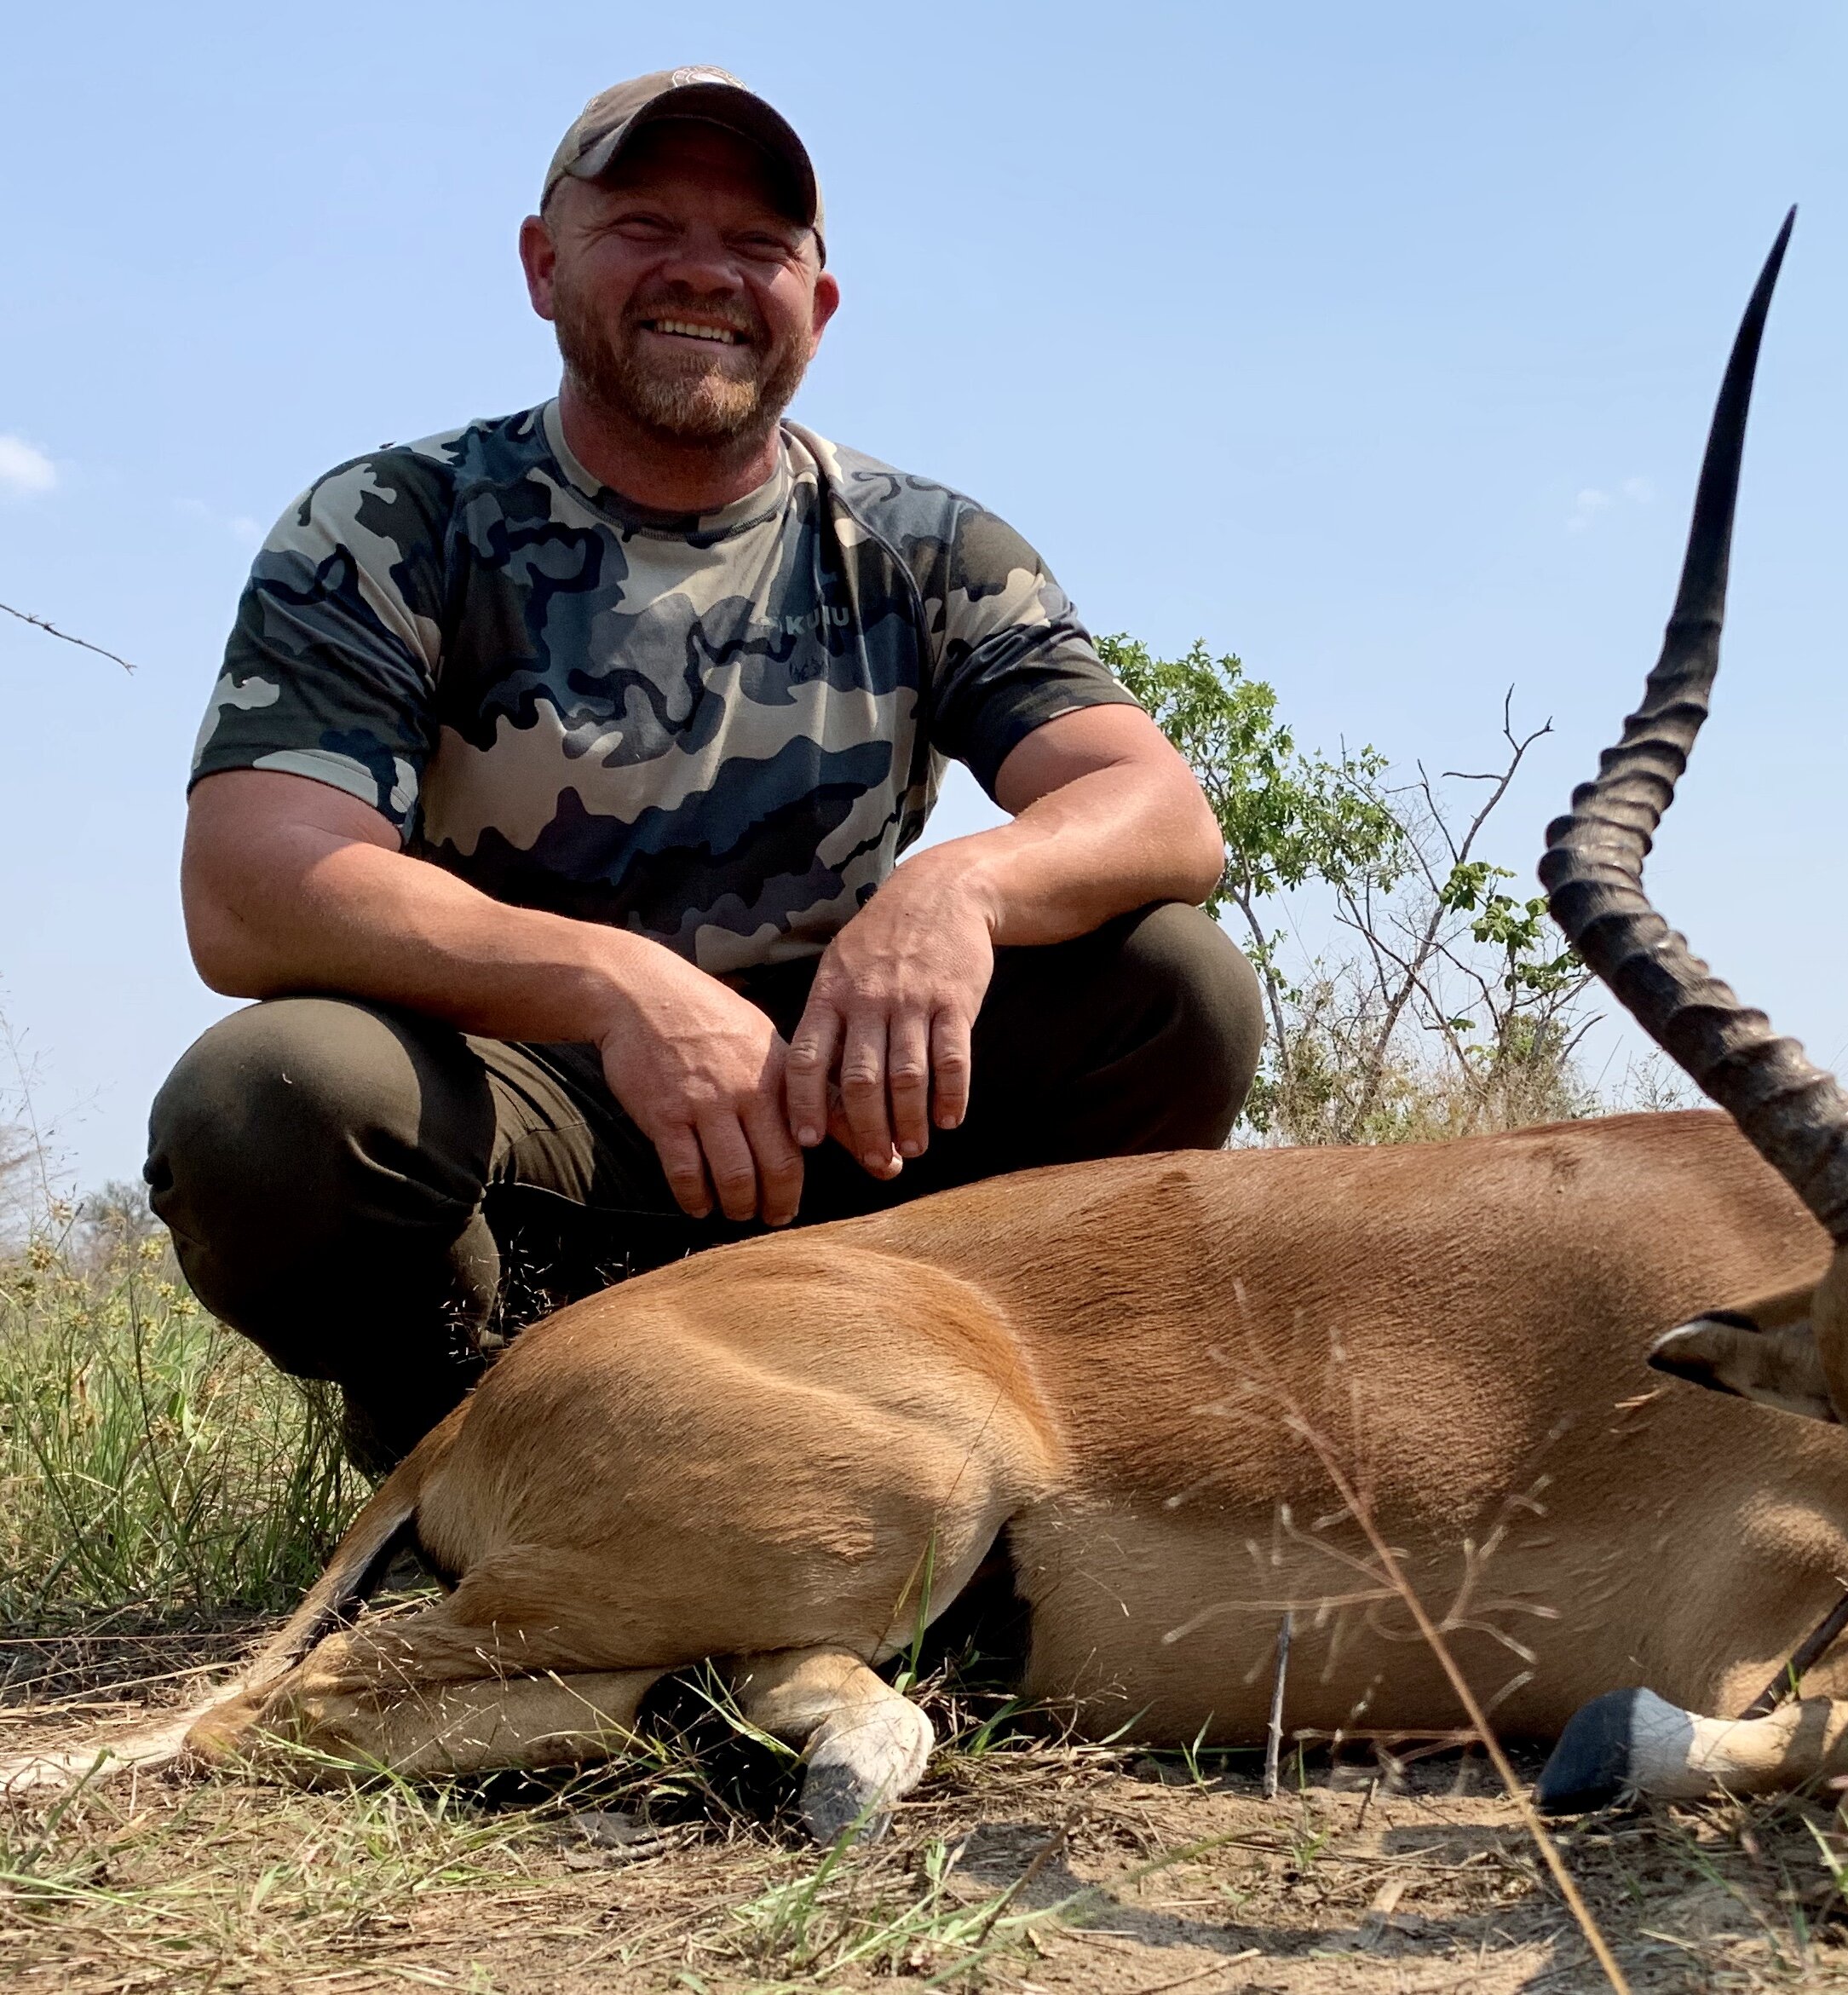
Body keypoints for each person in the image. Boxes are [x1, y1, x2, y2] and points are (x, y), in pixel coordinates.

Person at [147, 67, 1262, 1473]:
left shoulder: (925, 542)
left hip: (847, 1117)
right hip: (530, 1113)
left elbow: (1158, 810)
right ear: (544, 265)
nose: (704, 276)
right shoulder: (392, 521)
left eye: (757, 247)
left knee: (1173, 985)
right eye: (645, 227)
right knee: (272, 1102)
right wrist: (621, 992)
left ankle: (1005, 1452)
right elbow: (254, 884)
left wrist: (957, 891)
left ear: (819, 301)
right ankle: (470, 1458)